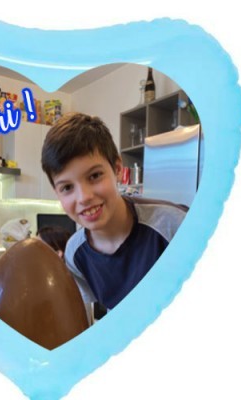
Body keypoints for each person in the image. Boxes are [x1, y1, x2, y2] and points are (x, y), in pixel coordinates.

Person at [41, 112, 187, 323]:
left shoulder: (173, 225)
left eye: (94, 176)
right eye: (67, 187)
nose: (84, 197)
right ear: (57, 192)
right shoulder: (75, 253)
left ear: (117, 169)